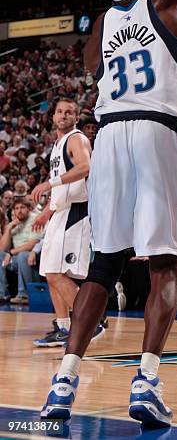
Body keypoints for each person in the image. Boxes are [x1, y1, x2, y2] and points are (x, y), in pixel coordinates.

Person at [41, 0, 177, 427]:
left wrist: (108, 14)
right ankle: (148, 381)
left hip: (108, 136)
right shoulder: (161, 2)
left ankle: (63, 382)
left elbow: (88, 65)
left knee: (103, 267)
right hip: (156, 132)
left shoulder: (102, 29)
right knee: (164, 265)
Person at [31, 99, 100, 347]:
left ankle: (92, 321)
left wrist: (49, 184)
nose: (63, 115)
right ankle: (63, 327)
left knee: (57, 273)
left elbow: (85, 167)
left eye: (69, 112)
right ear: (53, 116)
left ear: (76, 116)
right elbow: (63, 187)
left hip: (76, 213)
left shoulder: (76, 138)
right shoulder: (58, 144)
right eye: (59, 111)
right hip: (60, 213)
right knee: (49, 273)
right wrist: (47, 212)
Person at [0, 199, 41, 304]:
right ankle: (2, 294)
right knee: (0, 255)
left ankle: (24, 295)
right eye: (16, 208)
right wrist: (9, 228)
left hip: (34, 257)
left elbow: (32, 244)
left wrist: (11, 253)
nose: (19, 211)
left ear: (29, 209)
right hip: (17, 260)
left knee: (23, 255)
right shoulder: (14, 223)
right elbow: (3, 249)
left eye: (22, 208)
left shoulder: (36, 219)